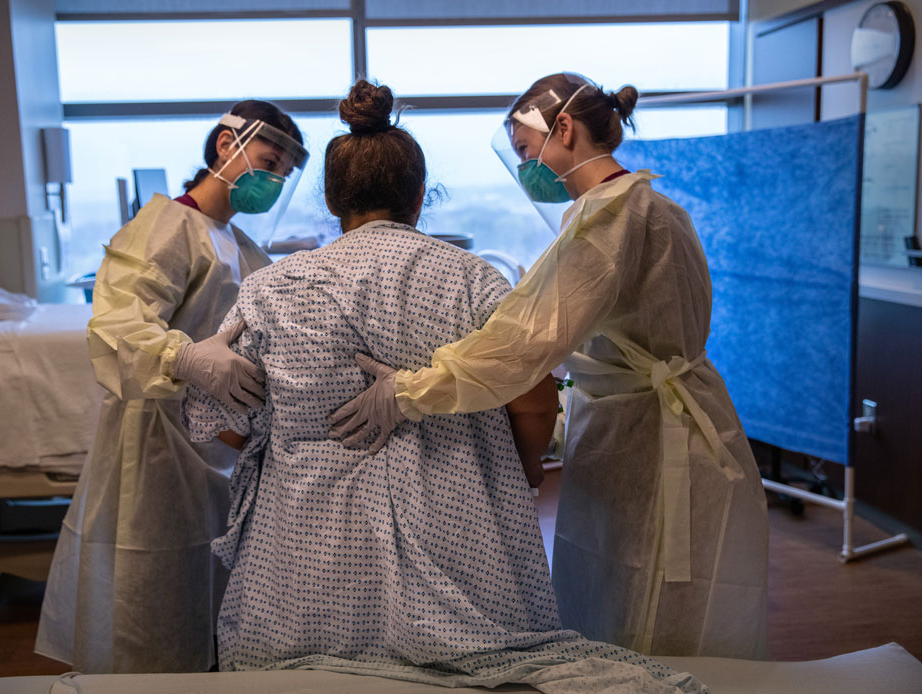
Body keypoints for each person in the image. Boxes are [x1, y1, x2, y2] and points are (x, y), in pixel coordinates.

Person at [179, 80, 704, 694]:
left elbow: (224, 422)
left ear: (331, 199)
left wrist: (293, 441)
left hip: (302, 556)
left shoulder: (272, 287)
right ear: (419, 196)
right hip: (458, 534)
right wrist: (525, 470)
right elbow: (534, 398)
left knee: (301, 674)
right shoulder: (474, 279)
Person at [328, 73, 769, 660]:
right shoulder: (653, 205)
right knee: (645, 597)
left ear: (563, 128)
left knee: (650, 609)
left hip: (652, 437)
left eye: (524, 150)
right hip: (660, 420)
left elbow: (521, 344)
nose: (525, 167)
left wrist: (410, 391)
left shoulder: (609, 220)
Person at [35, 101, 308, 673]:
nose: (273, 180)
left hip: (217, 441)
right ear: (226, 146)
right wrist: (182, 356)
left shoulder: (237, 242)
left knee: (207, 584)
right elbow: (117, 322)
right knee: (153, 586)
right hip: (156, 437)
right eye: (268, 162)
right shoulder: (167, 226)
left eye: (283, 173)